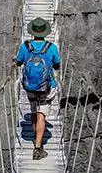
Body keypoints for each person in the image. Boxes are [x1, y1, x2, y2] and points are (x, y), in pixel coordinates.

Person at [15, 17, 61, 160]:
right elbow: (57, 65)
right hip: (46, 87)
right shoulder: (51, 47)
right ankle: (37, 148)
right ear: (45, 32)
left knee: (34, 112)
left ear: (32, 32)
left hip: (29, 86)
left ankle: (37, 140)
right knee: (42, 115)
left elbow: (18, 62)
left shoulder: (25, 46)